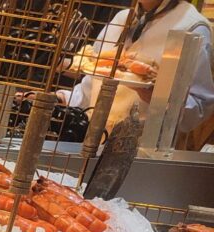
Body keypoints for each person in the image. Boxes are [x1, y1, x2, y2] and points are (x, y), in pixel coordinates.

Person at [62, 0, 214, 138]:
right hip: (90, 141)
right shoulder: (121, 18)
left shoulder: (192, 28)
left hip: (141, 151)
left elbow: (198, 109)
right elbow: (90, 91)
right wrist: (61, 98)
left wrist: (158, 98)